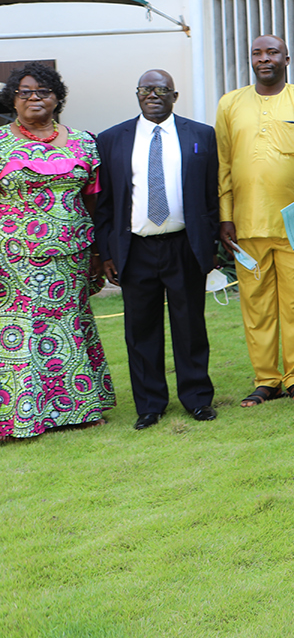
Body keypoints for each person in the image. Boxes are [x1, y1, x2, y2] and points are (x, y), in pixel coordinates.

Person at [94, 69, 220, 429]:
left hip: (185, 245)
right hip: (135, 249)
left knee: (190, 326)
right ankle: (149, 405)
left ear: (174, 96)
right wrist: (106, 254)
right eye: (146, 89)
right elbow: (104, 204)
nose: (153, 95)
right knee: (140, 329)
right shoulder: (112, 139)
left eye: (161, 90)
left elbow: (211, 196)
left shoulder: (201, 135)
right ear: (137, 94)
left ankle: (197, 399)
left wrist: (209, 244)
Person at [0, 62, 115, 439]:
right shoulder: (2, 143)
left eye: (43, 91)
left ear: (57, 98)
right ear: (13, 99)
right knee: (23, 330)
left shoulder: (84, 141)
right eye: (25, 92)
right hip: (15, 255)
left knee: (71, 326)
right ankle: (26, 414)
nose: (35, 98)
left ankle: (82, 406)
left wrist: (98, 250)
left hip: (72, 253)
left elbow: (96, 201)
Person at [215, 34, 294, 407]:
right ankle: (266, 379)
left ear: (287, 59)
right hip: (246, 224)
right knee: (256, 304)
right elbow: (224, 165)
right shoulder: (230, 104)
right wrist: (225, 217)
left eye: (272, 52)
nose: (264, 59)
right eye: (257, 53)